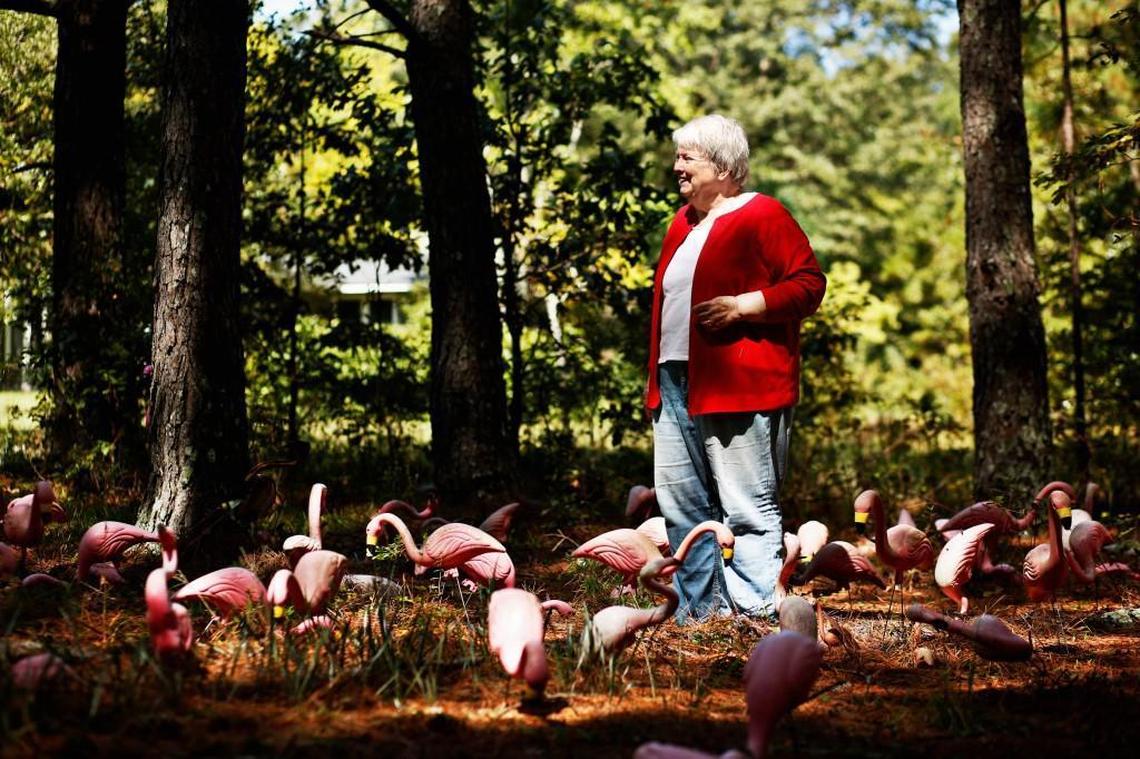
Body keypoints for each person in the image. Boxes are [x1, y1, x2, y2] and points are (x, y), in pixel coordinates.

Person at [645, 114, 826, 621]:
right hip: (674, 380)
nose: (676, 167)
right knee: (680, 503)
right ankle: (701, 612)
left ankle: (752, 611)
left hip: (739, 385)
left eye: (688, 157)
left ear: (724, 166)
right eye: (678, 156)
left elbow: (809, 285)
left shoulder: (764, 215)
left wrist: (744, 307)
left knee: (746, 506)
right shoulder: (681, 223)